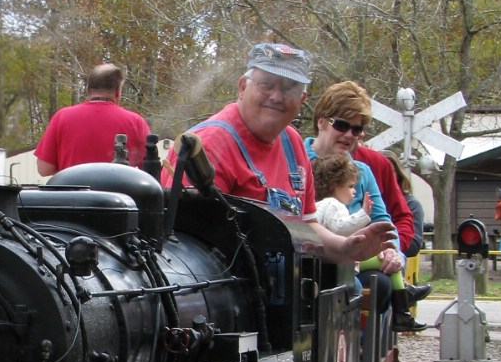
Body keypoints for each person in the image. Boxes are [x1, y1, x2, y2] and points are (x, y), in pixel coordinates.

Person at [165, 42, 392, 267]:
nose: (276, 96)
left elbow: (307, 226)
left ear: (302, 100)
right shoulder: (207, 146)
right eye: (266, 84)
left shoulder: (292, 143)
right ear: (242, 87)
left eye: (289, 88)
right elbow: (189, 252)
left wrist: (345, 247)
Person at [304, 80, 430, 331]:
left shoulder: (363, 172)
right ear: (322, 121)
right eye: (342, 125)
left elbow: (384, 221)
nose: (350, 135)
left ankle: (355, 352)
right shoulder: (296, 161)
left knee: (380, 284)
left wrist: (394, 252)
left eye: (357, 129)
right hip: (307, 258)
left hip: (355, 261)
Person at [313, 153, 409, 312]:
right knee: (383, 259)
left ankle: (404, 297)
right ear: (335, 186)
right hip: (336, 258)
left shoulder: (322, 204)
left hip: (333, 257)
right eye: (350, 186)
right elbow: (340, 228)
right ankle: (403, 304)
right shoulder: (332, 205)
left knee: (385, 261)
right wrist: (364, 214)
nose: (354, 192)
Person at [35, 63, 151, 176]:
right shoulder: (136, 122)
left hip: (73, 195)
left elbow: (44, 169)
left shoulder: (61, 117)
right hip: (118, 194)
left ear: (88, 90)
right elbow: (149, 171)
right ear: (117, 91)